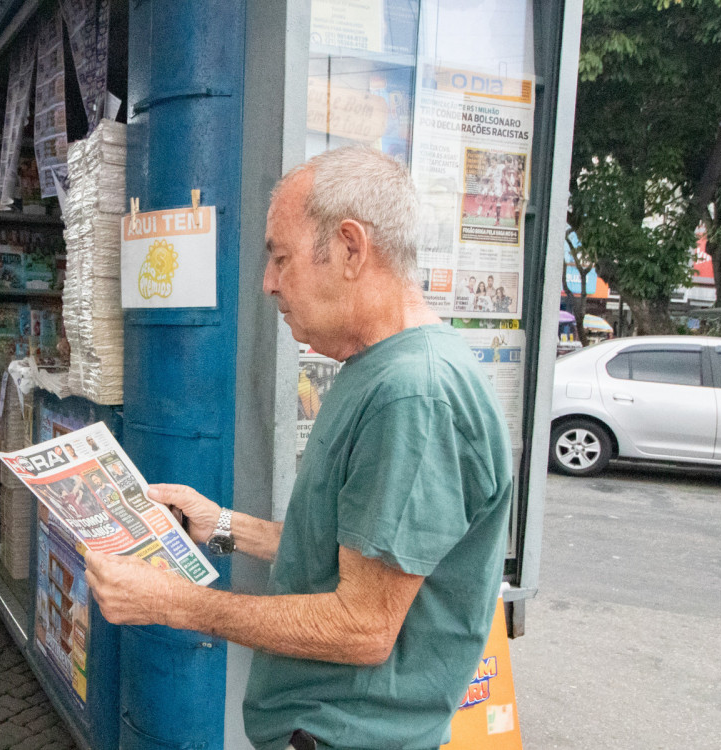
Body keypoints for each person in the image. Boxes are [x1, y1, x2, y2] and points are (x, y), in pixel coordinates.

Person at [84, 146, 513, 750]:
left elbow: (363, 625)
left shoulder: (415, 395)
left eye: (281, 259)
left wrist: (175, 603)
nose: (268, 283)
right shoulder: (379, 367)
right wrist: (224, 525)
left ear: (350, 249)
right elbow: (353, 550)